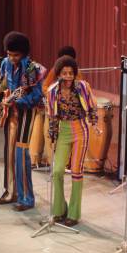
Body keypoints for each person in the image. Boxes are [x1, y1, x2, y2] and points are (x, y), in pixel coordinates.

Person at [0, 31, 46, 211]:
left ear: (23, 53)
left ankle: (27, 198)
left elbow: (37, 97)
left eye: (15, 55)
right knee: (9, 153)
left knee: (21, 155)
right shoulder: (6, 64)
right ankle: (11, 192)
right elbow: (1, 85)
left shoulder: (31, 69)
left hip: (25, 113)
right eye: (9, 54)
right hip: (10, 114)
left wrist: (16, 101)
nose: (11, 58)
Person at [46, 55, 98, 227]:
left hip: (80, 130)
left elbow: (92, 106)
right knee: (58, 170)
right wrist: (52, 136)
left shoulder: (82, 87)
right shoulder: (52, 91)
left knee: (76, 170)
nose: (68, 76)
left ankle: (74, 214)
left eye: (71, 73)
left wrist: (95, 123)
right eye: (64, 73)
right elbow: (52, 117)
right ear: (59, 74)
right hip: (64, 131)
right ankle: (60, 209)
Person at [30, 45, 78, 166]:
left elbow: (80, 89)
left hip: (70, 112)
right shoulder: (55, 70)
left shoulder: (77, 72)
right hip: (56, 106)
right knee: (50, 132)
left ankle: (66, 161)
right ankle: (51, 160)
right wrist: (52, 96)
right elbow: (45, 86)